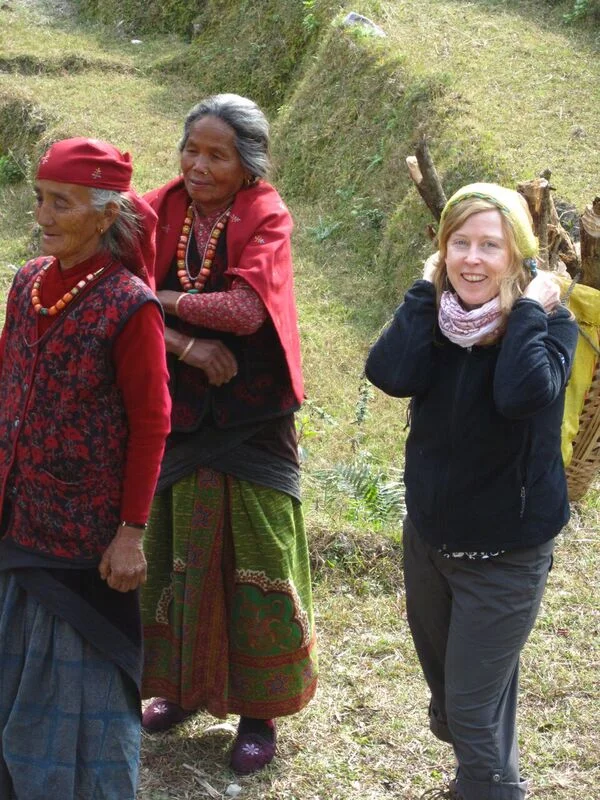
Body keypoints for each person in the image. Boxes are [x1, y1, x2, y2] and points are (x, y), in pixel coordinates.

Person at [365, 183, 578, 800]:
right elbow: (390, 374)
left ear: (519, 257)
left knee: (471, 707)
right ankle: (488, 776)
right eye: (459, 244)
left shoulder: (551, 328)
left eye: (492, 245)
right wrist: (426, 291)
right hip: (430, 541)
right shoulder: (438, 319)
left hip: (505, 554)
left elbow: (519, 396)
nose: (473, 259)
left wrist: (533, 311)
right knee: (455, 697)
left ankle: (488, 786)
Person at [140, 93, 318, 775]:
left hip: (253, 417)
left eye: (217, 154)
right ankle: (183, 690)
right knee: (178, 548)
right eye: (191, 149)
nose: (198, 164)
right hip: (178, 413)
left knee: (257, 556)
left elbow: (244, 311)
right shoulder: (158, 210)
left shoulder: (264, 212)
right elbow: (115, 298)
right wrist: (185, 344)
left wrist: (159, 301)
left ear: (248, 164)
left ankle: (257, 711)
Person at [0, 137, 172, 799]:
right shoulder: (28, 284)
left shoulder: (131, 307)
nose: (43, 214)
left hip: (84, 545)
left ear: (104, 217)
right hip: (20, 524)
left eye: (61, 203)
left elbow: (153, 423)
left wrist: (131, 531)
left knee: (73, 691)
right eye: (41, 198)